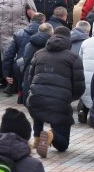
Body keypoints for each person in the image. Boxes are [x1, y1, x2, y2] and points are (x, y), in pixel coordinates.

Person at [24, 25, 84, 158]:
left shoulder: (38, 54)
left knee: (38, 101)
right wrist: (69, 98)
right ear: (69, 39)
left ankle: (38, 137)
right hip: (59, 104)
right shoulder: (73, 58)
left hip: (35, 101)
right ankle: (51, 135)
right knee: (63, 145)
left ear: (52, 37)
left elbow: (30, 78)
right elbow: (79, 86)